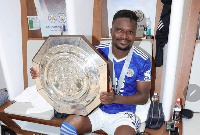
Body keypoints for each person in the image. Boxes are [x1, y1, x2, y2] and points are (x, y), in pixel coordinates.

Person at [30, 9, 151, 135]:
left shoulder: (142, 59)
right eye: (119, 30)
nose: (124, 36)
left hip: (123, 115)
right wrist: (43, 74)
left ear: (135, 34)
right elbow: (69, 71)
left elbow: (143, 97)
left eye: (130, 32)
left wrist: (115, 99)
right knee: (67, 128)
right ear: (111, 31)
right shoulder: (96, 53)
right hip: (95, 109)